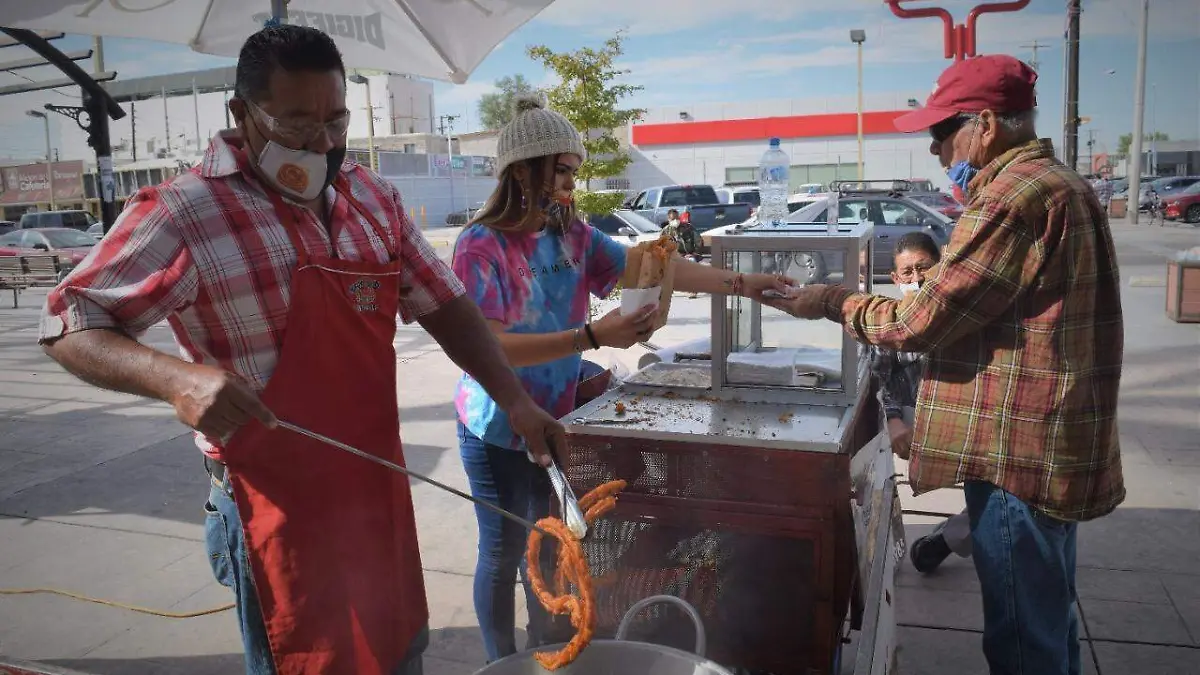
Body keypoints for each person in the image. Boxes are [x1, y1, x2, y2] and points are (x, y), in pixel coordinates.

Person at [38, 25, 565, 675]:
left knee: (402, 655)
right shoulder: (186, 211)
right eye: (296, 124)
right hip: (272, 509)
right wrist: (175, 379)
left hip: (376, 494)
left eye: (335, 120)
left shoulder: (373, 199)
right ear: (242, 115)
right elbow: (70, 319)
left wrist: (515, 402)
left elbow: (448, 307)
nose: (322, 143)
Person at [765, 55, 1123, 675]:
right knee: (1048, 615)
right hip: (1051, 442)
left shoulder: (1014, 196)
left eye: (940, 133)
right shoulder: (1058, 184)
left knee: (1021, 637)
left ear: (984, 123)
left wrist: (828, 299)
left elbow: (919, 320)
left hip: (1021, 451)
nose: (934, 151)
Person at [451, 94, 789, 661]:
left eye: (574, 173)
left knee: (552, 542)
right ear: (525, 169)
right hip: (496, 422)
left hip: (556, 417)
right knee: (504, 548)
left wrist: (744, 284)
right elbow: (489, 348)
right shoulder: (480, 246)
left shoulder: (572, 236)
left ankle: (545, 649)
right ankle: (498, 660)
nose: (570, 185)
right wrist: (591, 338)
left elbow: (653, 266)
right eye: (562, 171)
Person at [868, 232, 972, 574]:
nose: (917, 279)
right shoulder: (893, 322)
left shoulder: (966, 311)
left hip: (971, 421)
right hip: (921, 425)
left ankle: (947, 539)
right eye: (907, 273)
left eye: (924, 268)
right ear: (896, 280)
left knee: (1002, 495)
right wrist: (895, 420)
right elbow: (878, 379)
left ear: (940, 266)